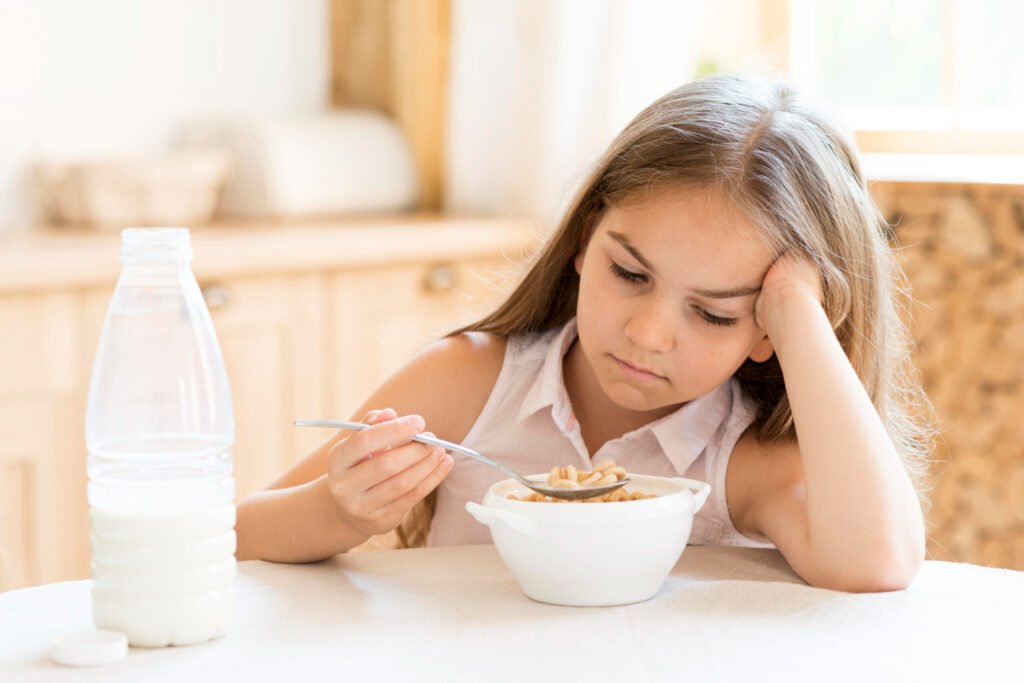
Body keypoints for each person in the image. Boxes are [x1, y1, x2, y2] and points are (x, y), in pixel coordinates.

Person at [236, 74, 935, 592]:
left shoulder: (740, 459)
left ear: (765, 334)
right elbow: (235, 533)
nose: (649, 332)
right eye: (629, 272)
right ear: (582, 239)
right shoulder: (469, 383)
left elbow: (875, 561)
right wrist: (338, 508)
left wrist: (802, 316)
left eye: (715, 312)